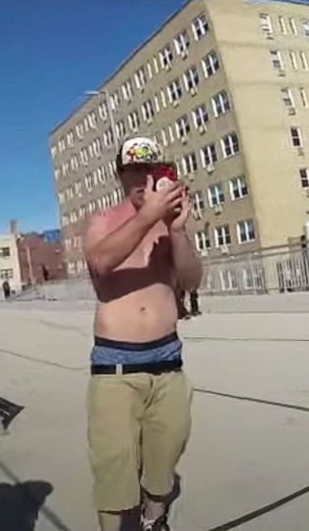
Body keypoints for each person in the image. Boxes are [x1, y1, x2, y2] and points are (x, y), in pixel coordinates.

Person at [81, 137, 202, 531]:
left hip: (167, 361)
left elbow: (191, 279)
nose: (142, 178)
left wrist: (179, 232)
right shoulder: (103, 220)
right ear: (120, 175)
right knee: (114, 469)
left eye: (149, 169)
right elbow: (101, 263)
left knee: (165, 455)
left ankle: (154, 518)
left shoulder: (168, 224)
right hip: (117, 365)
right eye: (132, 170)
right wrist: (148, 216)